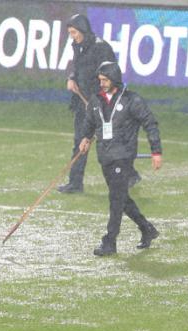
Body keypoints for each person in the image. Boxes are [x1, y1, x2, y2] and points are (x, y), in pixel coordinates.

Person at [78, 61, 162, 256]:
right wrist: (85, 137)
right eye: (100, 80)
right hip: (105, 156)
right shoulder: (96, 100)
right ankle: (146, 228)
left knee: (115, 198)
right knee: (121, 198)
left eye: (105, 80)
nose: (102, 83)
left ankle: (110, 241)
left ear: (115, 79)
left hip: (123, 156)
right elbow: (90, 122)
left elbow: (150, 123)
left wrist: (156, 151)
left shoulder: (132, 100)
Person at [57, 14, 141, 193]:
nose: (72, 36)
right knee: (80, 141)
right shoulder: (78, 46)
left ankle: (130, 174)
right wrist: (72, 78)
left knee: (109, 143)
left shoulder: (101, 48)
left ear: (83, 30)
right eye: (70, 33)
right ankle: (75, 183)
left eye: (74, 32)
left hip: (101, 104)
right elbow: (78, 68)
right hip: (82, 103)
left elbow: (111, 75)